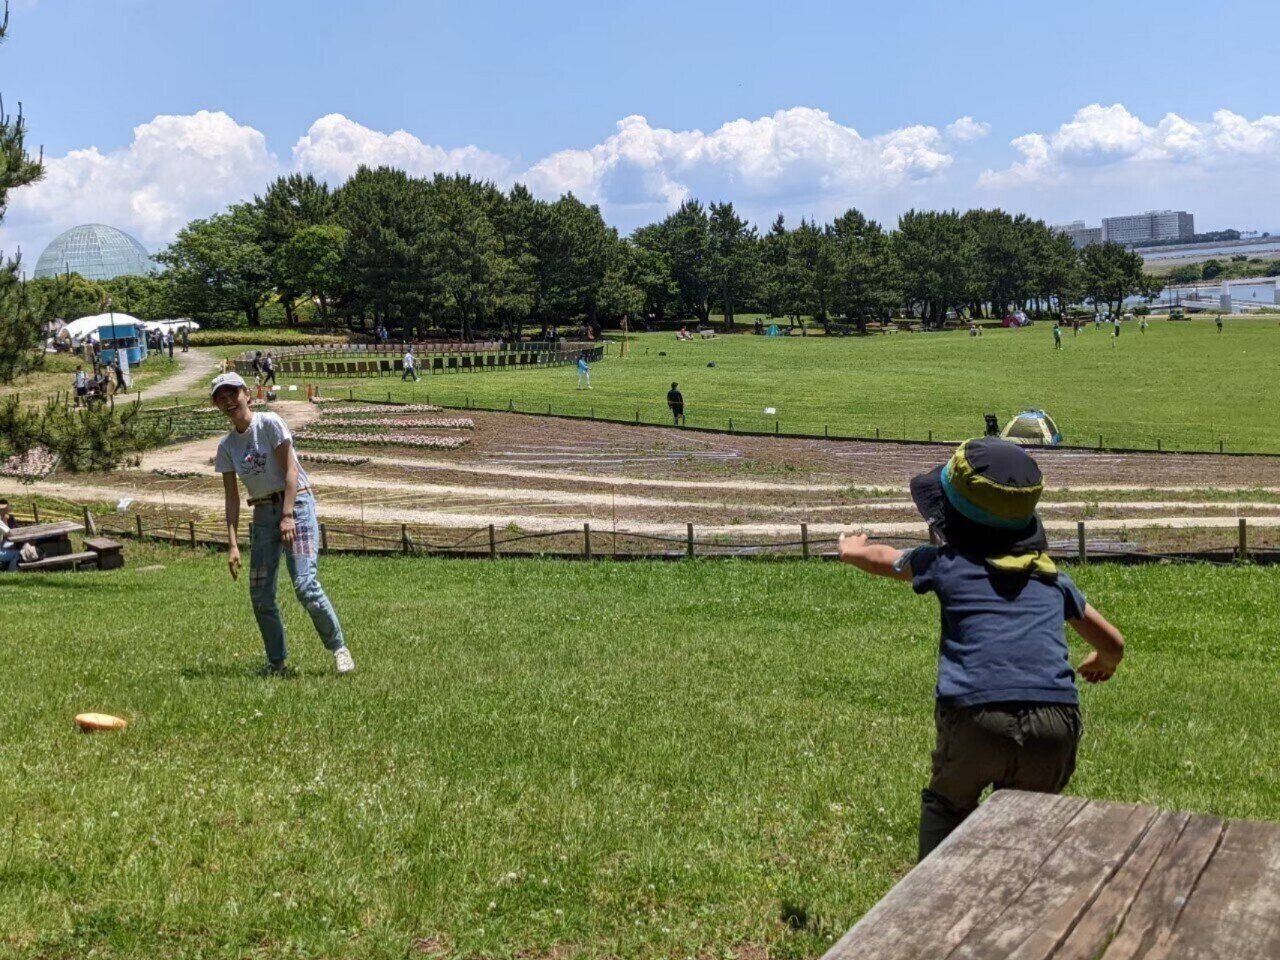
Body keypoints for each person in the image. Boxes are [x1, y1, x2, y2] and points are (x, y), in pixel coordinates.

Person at [837, 437, 1124, 861]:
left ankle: (932, 890)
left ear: (949, 518)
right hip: (1054, 720)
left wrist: (853, 551)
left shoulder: (945, 564)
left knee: (948, 806)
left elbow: (887, 560)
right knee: (1031, 824)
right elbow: (1113, 642)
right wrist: (1103, 662)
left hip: (976, 713)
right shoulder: (1051, 579)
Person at [211, 372, 354, 676]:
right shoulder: (226, 447)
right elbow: (232, 499)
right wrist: (233, 544)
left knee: (305, 585)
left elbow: (290, 470)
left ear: (246, 393)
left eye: (232, 393)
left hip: (297, 506)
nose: (228, 401)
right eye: (221, 398)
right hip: (263, 515)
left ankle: (339, 648)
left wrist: (287, 515)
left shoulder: (269, 424)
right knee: (260, 593)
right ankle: (276, 663)